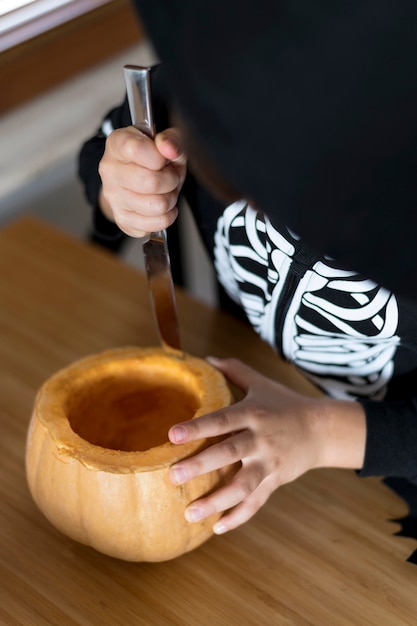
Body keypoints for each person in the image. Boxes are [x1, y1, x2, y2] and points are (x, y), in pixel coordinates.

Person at [78, 1, 417, 537]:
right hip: (247, 388)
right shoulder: (212, 86)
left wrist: (322, 434)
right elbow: (101, 151)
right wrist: (119, 188)